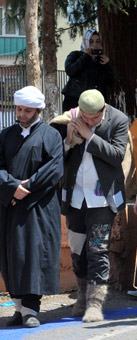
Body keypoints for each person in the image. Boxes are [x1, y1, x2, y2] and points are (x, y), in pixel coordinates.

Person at [58, 89, 128, 323]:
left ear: (103, 110)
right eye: (85, 118)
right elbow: (57, 158)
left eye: (95, 118)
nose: (89, 121)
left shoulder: (118, 120)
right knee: (78, 251)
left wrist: (89, 135)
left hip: (102, 199)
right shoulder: (69, 119)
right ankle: (81, 297)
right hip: (75, 198)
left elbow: (117, 155)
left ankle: (95, 304)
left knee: (97, 251)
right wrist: (69, 141)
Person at [0, 86, 64, 328]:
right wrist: (11, 187)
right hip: (9, 206)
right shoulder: (6, 135)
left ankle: (31, 311)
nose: (22, 114)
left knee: (33, 255)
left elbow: (54, 169)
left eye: (27, 110)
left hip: (38, 207)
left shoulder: (51, 135)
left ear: (38, 110)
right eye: (18, 109)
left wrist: (25, 189)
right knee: (11, 256)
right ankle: (18, 309)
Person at [61, 29, 116, 112]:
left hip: (95, 103)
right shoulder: (75, 55)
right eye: (91, 41)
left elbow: (111, 82)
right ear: (85, 41)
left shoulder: (102, 60)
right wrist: (86, 56)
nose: (94, 44)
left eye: (97, 41)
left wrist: (107, 65)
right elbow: (70, 71)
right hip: (75, 101)